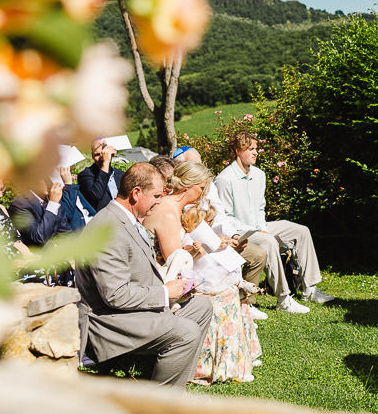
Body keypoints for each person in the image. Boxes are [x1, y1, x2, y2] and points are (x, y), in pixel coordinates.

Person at [74, 162, 212, 387]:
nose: (160, 201)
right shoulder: (107, 228)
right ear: (136, 193)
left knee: (201, 307)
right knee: (185, 331)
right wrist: (165, 292)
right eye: (157, 195)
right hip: (109, 322)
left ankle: (175, 384)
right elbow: (115, 295)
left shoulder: (126, 220)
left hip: (134, 309)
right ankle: (157, 401)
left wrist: (173, 287)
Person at [145, 161, 261, 384]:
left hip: (177, 272)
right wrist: (205, 248)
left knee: (228, 284)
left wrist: (214, 244)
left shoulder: (175, 208)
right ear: (187, 186)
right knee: (223, 292)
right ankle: (207, 366)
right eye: (201, 188)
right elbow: (176, 261)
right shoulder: (168, 211)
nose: (203, 194)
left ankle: (230, 361)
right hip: (165, 280)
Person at [215, 131, 331, 313]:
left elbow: (260, 208)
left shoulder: (259, 175)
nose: (256, 152)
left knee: (301, 231)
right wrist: (257, 232)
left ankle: (309, 289)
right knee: (269, 242)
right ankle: (283, 298)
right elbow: (226, 217)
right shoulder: (224, 179)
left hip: (260, 226)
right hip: (241, 232)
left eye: (256, 149)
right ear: (238, 150)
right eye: (250, 149)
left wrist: (262, 228)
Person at [173, 145, 267, 319]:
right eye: (195, 166)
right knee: (218, 264)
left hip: (220, 238)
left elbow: (221, 215)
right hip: (198, 247)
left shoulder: (208, 185)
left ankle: (245, 303)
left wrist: (233, 236)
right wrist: (215, 241)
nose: (202, 170)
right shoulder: (177, 198)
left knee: (256, 254)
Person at [78, 137, 124, 211]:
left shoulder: (121, 175)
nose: (102, 157)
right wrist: (105, 163)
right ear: (92, 156)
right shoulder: (86, 175)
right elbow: (96, 195)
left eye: (105, 153)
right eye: (97, 155)